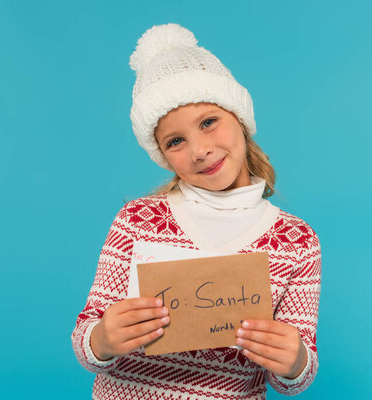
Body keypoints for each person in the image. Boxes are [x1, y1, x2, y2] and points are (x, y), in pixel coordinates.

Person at [71, 22, 322, 400]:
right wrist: (103, 338)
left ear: (239, 117)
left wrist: (295, 361)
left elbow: (294, 379)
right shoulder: (137, 221)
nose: (199, 149)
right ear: (163, 155)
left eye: (209, 122)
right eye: (176, 141)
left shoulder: (297, 241)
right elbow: (86, 342)